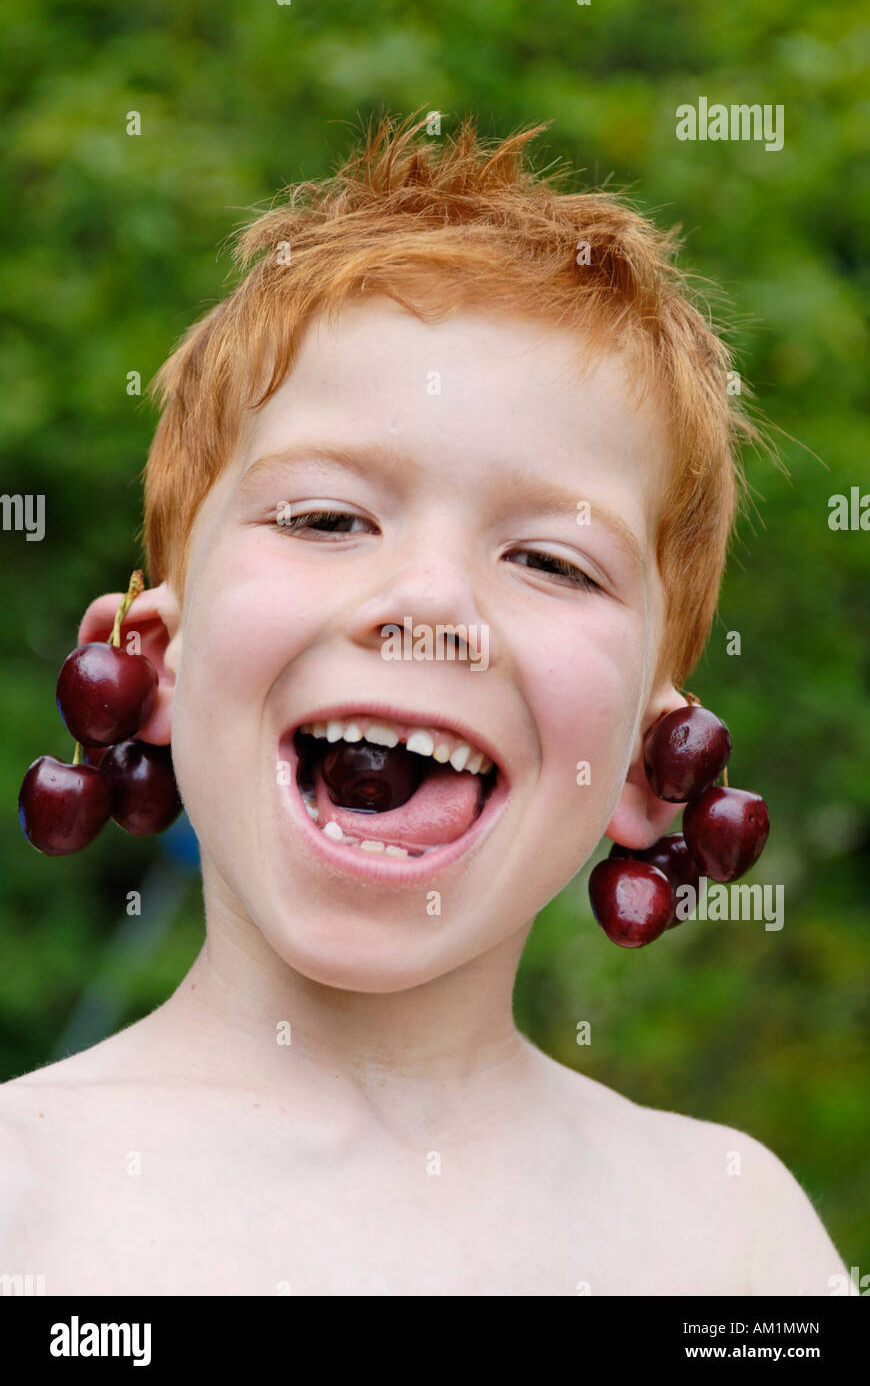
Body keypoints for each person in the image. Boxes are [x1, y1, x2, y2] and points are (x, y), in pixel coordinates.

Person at [0, 113, 849, 1295]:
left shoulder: (734, 1233)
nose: (431, 606)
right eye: (325, 519)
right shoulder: (20, 1202)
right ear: (145, 670)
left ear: (659, 766)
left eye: (553, 561)